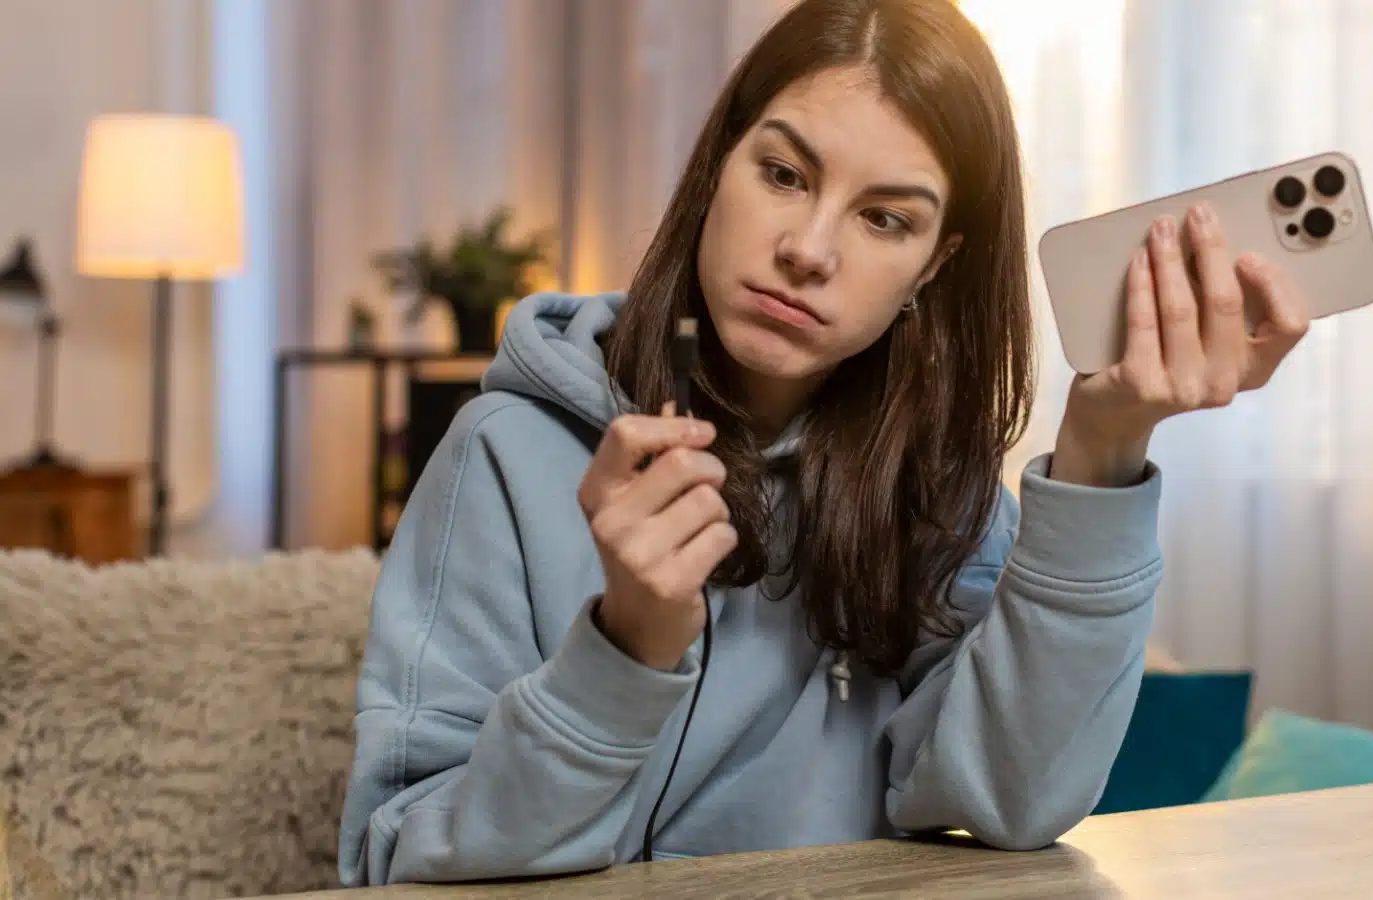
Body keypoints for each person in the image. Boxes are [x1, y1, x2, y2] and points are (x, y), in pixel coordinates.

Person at [337, 0, 1310, 886]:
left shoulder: (939, 494)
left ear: (934, 266)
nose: (808, 247)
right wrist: (624, 647)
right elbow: (395, 858)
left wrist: (1104, 448)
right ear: (717, 166)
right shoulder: (501, 453)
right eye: (782, 174)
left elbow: (1010, 804)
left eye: (885, 218)